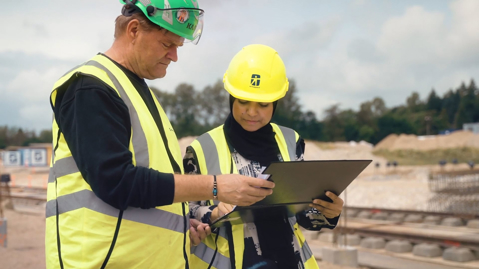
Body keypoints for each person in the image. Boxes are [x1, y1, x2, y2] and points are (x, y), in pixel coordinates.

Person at [45, 1, 275, 268]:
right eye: (168, 45)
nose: (175, 56)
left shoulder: (138, 93)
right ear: (133, 30)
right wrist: (216, 185)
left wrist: (177, 223)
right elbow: (116, 182)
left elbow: (147, 188)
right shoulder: (90, 87)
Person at [184, 44, 344, 269]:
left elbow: (303, 213)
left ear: (275, 103)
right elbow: (183, 212)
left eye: (262, 104)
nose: (251, 112)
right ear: (231, 97)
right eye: (243, 101)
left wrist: (328, 212)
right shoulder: (202, 148)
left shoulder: (291, 141)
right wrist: (212, 214)